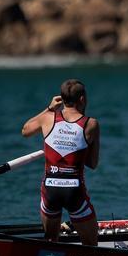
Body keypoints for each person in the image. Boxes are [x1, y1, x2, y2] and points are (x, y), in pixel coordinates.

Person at [21, 78, 101, 246]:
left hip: (51, 189)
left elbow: (25, 130)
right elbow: (92, 164)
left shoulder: (47, 118)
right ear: (82, 99)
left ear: (61, 99)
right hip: (74, 191)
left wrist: (49, 108)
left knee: (51, 241)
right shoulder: (91, 124)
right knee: (91, 245)